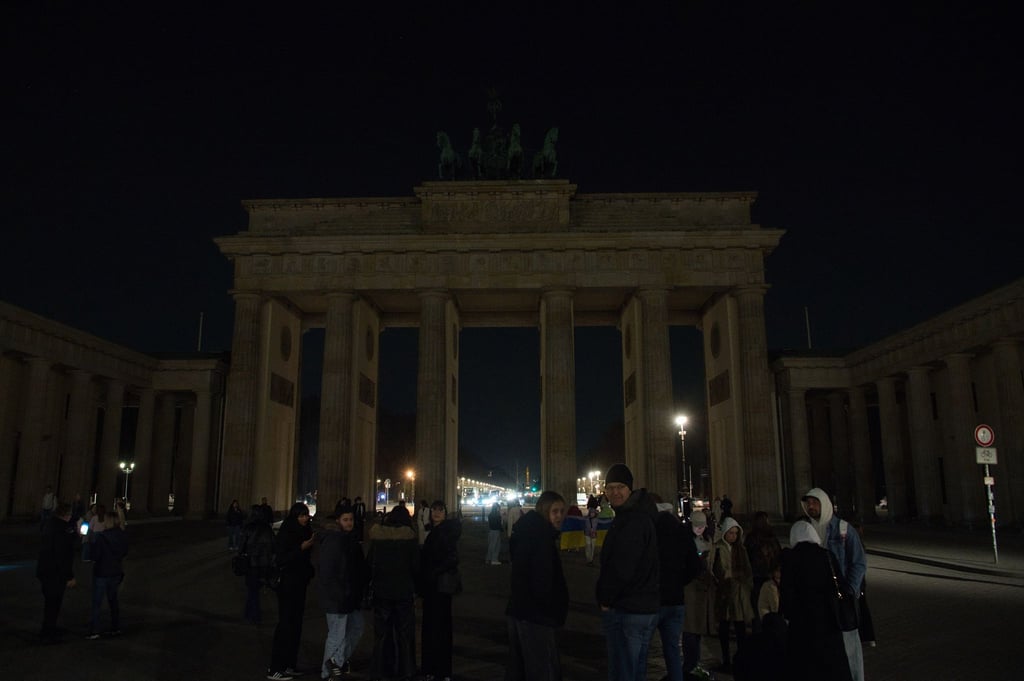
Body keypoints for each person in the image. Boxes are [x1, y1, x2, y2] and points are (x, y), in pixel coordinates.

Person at [595, 463, 660, 681]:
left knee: (623, 670)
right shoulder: (636, 514)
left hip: (628, 607)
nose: (614, 492)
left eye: (620, 487)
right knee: (635, 670)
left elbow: (623, 568)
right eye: (610, 487)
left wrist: (605, 598)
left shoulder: (632, 520)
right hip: (642, 605)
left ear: (630, 489)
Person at [802, 488, 867, 681]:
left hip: (841, 597)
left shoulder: (844, 529)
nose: (811, 506)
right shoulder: (807, 530)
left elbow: (859, 562)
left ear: (825, 504)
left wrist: (849, 591)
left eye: (815, 502)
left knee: (849, 647)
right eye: (808, 503)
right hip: (819, 598)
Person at [505, 490, 568, 681]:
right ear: (544, 511)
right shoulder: (541, 538)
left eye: (561, 511)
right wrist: (553, 610)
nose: (559, 516)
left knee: (521, 669)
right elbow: (542, 581)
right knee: (542, 670)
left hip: (522, 612)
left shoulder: (530, 533)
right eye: (555, 511)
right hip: (537, 616)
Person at [780, 521, 853, 681]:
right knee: (832, 662)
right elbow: (839, 584)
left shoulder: (790, 558)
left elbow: (787, 591)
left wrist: (787, 614)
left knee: (803, 665)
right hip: (828, 618)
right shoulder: (826, 555)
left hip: (801, 621)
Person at [367, 504, 419, 681]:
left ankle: (381, 671)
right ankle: (407, 670)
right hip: (404, 592)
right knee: (405, 634)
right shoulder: (410, 539)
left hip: (382, 592)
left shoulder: (378, 539)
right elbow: (416, 567)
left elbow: (369, 565)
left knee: (381, 635)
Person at [653, 499, 702, 681]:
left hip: (654, 599)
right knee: (672, 649)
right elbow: (696, 567)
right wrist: (679, 582)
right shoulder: (682, 532)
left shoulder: (650, 532)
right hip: (676, 599)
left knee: (641, 649)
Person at [318, 506, 370, 680]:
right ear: (338, 521)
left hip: (350, 595)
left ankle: (336, 662)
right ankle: (327, 673)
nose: (349, 523)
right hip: (338, 597)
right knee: (336, 634)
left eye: (351, 520)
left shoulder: (349, 540)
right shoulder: (334, 541)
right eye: (345, 520)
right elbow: (328, 572)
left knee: (357, 627)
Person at [268, 502, 315, 680]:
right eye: (301, 515)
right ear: (294, 517)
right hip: (287, 584)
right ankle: (275, 668)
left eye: (306, 515)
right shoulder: (287, 533)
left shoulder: (306, 532)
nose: (304, 518)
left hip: (300, 584)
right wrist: (301, 548)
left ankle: (289, 664)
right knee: (285, 625)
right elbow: (282, 558)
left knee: (296, 626)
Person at [419, 500, 461, 681]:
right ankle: (437, 669)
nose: (436, 513)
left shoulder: (444, 533)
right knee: (436, 628)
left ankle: (437, 669)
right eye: (434, 510)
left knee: (437, 628)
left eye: (440, 510)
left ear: (445, 513)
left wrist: (431, 572)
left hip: (437, 587)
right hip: (436, 587)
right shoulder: (438, 531)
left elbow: (452, 559)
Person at [708, 516, 754, 673]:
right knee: (724, 627)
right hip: (724, 592)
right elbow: (712, 567)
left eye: (735, 533)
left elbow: (748, 570)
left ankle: (742, 658)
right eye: (731, 533)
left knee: (740, 627)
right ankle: (726, 659)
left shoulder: (741, 549)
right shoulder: (718, 548)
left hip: (739, 592)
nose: (733, 536)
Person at [37, 502, 76, 641]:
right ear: (66, 515)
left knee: (49, 603)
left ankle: (48, 627)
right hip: (56, 573)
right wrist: (69, 576)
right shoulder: (63, 529)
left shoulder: (49, 524)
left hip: (45, 570)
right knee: (54, 602)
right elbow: (63, 555)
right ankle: (48, 632)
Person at [87, 510, 128, 639]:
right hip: (116, 572)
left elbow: (95, 556)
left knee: (97, 603)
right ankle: (115, 627)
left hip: (102, 572)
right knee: (113, 601)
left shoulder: (101, 537)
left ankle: (94, 630)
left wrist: (91, 544)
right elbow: (124, 552)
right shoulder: (122, 535)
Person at [682, 511, 713, 679]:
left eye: (702, 526)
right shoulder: (686, 542)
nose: (700, 529)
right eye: (697, 526)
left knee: (699, 627)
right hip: (690, 587)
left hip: (703, 588)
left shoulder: (707, 540)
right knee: (690, 627)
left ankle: (695, 662)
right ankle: (690, 663)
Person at [744, 511, 781, 630]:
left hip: (758, 577)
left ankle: (760, 632)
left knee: (758, 607)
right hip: (768, 576)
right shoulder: (772, 538)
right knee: (771, 606)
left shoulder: (751, 538)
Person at [240, 504, 275, 624]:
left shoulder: (248, 528)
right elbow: (273, 546)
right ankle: (249, 612)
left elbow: (242, 546)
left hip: (252, 563)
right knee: (255, 589)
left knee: (252, 590)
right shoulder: (267, 528)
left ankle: (254, 615)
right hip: (265, 563)